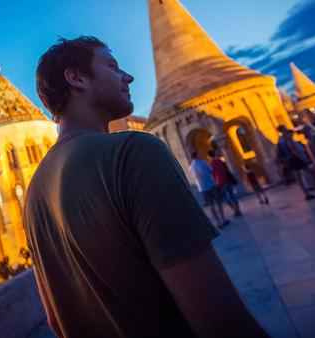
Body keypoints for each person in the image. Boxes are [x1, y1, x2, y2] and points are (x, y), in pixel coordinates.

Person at [25, 36, 267, 338]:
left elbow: (55, 322)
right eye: (112, 66)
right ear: (76, 78)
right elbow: (220, 321)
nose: (128, 76)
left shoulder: (34, 193)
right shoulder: (134, 152)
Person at [276, 125, 315, 200]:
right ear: (283, 129)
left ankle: (307, 194)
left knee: (299, 177)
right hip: (297, 159)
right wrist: (302, 158)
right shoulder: (287, 138)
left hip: (291, 160)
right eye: (285, 128)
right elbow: (293, 149)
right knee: (312, 173)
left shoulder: (280, 139)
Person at [189, 151, 230, 227]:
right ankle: (223, 219)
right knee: (218, 202)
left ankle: (218, 222)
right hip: (211, 185)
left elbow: (193, 177)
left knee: (211, 205)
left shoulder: (191, 167)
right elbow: (211, 171)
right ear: (197, 155)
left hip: (202, 188)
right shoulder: (203, 163)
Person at [207, 150, 242, 216]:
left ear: (209, 156)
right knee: (232, 195)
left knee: (225, 198)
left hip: (220, 183)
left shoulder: (211, 164)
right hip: (227, 180)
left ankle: (235, 210)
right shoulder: (220, 161)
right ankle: (238, 210)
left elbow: (213, 175)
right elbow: (226, 169)